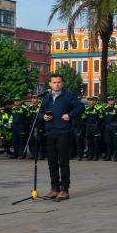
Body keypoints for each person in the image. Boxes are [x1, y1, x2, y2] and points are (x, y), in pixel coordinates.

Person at [38, 73, 84, 201]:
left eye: (59, 82)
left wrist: (70, 115)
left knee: (63, 162)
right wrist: (43, 117)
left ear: (62, 83)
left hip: (63, 132)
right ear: (50, 84)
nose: (56, 85)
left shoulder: (68, 96)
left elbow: (80, 107)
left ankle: (64, 190)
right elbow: (40, 113)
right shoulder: (46, 97)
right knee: (52, 162)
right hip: (49, 132)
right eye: (54, 82)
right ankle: (54, 188)